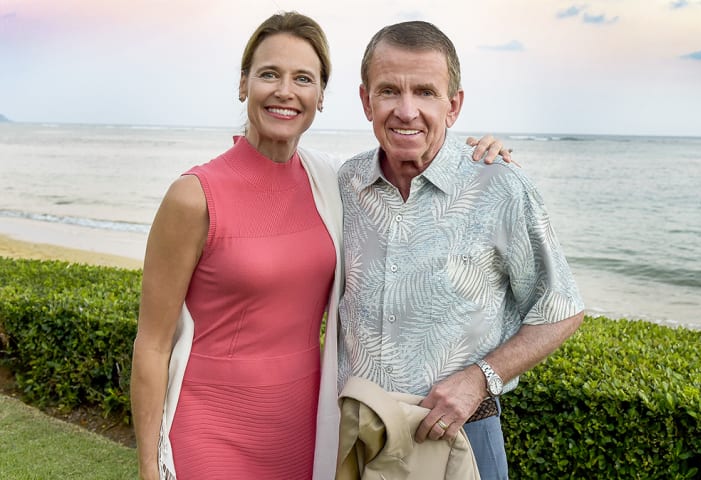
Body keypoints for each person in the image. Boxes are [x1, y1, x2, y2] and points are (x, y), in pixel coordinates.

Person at [129, 11, 508, 480]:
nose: (285, 91)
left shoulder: (331, 180)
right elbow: (151, 344)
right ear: (243, 83)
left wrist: (478, 155)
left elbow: (406, 162)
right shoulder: (193, 196)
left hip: (306, 432)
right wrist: (149, 467)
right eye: (269, 74)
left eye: (303, 78)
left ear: (321, 96)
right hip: (210, 428)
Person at [336, 20, 585, 479]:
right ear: (365, 101)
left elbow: (561, 309)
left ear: (454, 106)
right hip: (358, 438)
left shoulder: (500, 186)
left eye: (426, 93)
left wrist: (479, 379)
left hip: (462, 438)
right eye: (389, 90)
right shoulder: (343, 187)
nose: (406, 111)